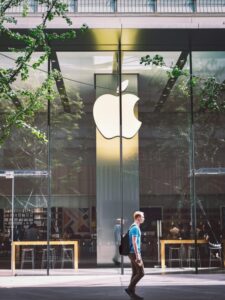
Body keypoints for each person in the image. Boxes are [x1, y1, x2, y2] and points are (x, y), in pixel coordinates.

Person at [125, 211, 145, 300]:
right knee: (141, 273)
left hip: (131, 253)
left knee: (134, 273)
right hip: (134, 253)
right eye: (142, 217)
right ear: (138, 218)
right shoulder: (135, 228)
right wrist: (138, 255)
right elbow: (134, 242)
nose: (143, 218)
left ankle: (132, 294)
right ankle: (129, 289)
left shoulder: (133, 227)